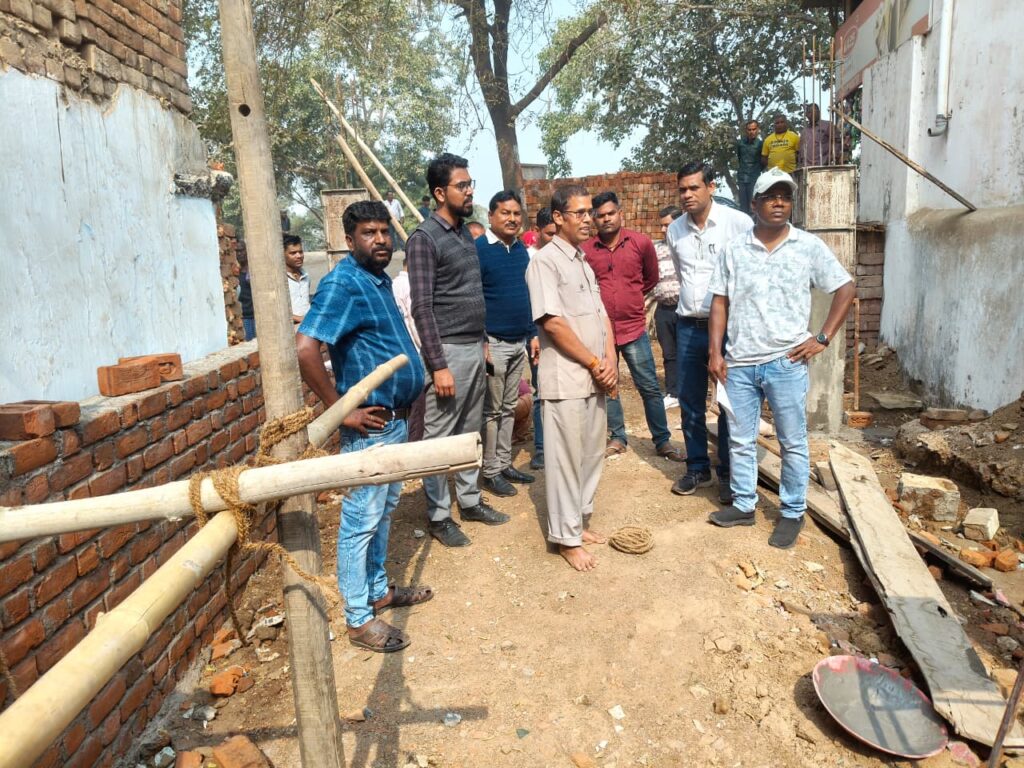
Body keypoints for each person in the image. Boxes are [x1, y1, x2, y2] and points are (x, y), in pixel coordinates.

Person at [296, 200, 432, 653]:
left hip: (394, 422)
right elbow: (305, 349)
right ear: (349, 240)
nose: (380, 240)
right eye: (369, 233)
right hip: (369, 429)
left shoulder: (377, 279)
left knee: (383, 512)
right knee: (360, 522)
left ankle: (377, 592)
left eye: (384, 232)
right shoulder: (343, 283)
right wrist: (341, 411)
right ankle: (357, 618)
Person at [707, 168, 854, 548]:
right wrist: (715, 352)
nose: (779, 203)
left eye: (785, 197)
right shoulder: (735, 249)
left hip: (785, 362)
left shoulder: (808, 246)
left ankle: (792, 511)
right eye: (771, 197)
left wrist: (822, 337)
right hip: (740, 363)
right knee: (740, 440)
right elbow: (719, 301)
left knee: (792, 441)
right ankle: (744, 504)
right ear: (754, 204)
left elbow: (845, 287)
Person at [407, 153, 509, 547]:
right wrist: (438, 365)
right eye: (461, 186)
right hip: (446, 353)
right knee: (439, 437)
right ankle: (438, 516)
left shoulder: (464, 234)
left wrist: (482, 343)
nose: (469, 192)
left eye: (470, 184)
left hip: (472, 348)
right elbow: (422, 307)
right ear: (439, 192)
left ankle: (469, 501)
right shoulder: (424, 239)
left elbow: (471, 293)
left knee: (469, 431)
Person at [526, 185, 617, 571]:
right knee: (565, 460)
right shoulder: (545, 262)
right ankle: (565, 538)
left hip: (594, 376)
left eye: (589, 212)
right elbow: (552, 324)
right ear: (558, 218)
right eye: (578, 213)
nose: (588, 219)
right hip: (566, 378)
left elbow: (601, 315)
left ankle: (578, 522)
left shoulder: (582, 260)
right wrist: (596, 363)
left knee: (591, 454)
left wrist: (611, 360)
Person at [667, 161, 753, 502]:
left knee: (730, 403)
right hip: (688, 326)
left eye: (694, 188)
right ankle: (697, 468)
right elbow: (682, 274)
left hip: (729, 329)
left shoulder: (737, 223)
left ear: (711, 187)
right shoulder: (675, 230)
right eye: (682, 190)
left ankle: (729, 474)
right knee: (690, 401)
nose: (687, 195)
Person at [582, 191, 682, 462]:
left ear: (620, 214)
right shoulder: (586, 251)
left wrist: (630, 298)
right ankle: (617, 437)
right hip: (601, 332)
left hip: (633, 328)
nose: (606, 219)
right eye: (600, 215)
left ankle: (662, 440)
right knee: (609, 385)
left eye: (610, 213)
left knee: (648, 386)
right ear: (594, 219)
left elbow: (650, 278)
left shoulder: (641, 243)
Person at [476, 190, 539, 497]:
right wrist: (481, 341)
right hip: (494, 344)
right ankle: (490, 471)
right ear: (491, 216)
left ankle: (503, 464)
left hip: (518, 342)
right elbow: (473, 299)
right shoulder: (479, 250)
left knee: (509, 407)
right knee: (492, 411)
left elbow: (526, 295)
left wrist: (533, 333)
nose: (512, 219)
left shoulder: (520, 250)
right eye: (505, 213)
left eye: (516, 213)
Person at [527, 207, 556, 470]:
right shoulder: (528, 258)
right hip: (537, 335)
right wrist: (533, 334)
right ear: (537, 231)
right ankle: (541, 448)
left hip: (562, 334)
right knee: (540, 391)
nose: (554, 239)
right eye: (549, 234)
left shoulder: (564, 256)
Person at [391, 255, 426, 441]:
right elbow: (415, 323)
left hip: (402, 356)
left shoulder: (394, 284)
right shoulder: (409, 286)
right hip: (415, 354)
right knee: (417, 413)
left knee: (408, 413)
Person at [651, 206, 683, 409]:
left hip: (684, 309)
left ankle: (691, 390)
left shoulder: (686, 246)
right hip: (663, 308)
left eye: (667, 225)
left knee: (689, 353)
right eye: (661, 226)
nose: (663, 230)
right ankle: (673, 392)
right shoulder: (656, 249)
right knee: (669, 353)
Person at [735, 119, 763, 213]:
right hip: (742, 178)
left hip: (754, 179)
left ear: (758, 130)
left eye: (754, 129)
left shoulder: (760, 144)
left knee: (753, 206)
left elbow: (763, 161)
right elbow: (739, 157)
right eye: (749, 129)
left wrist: (756, 170)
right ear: (746, 130)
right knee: (743, 208)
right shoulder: (740, 143)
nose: (751, 132)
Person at [283, 234, 310, 324]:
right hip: (288, 326)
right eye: (293, 253)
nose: (299, 256)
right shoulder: (280, 280)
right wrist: (299, 319)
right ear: (283, 254)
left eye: (300, 252)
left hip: (307, 326)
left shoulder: (306, 276)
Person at [236, 239, 255, 340]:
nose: (239, 254)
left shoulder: (254, 270)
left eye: (241, 250)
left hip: (256, 316)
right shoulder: (234, 273)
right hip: (244, 317)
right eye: (236, 251)